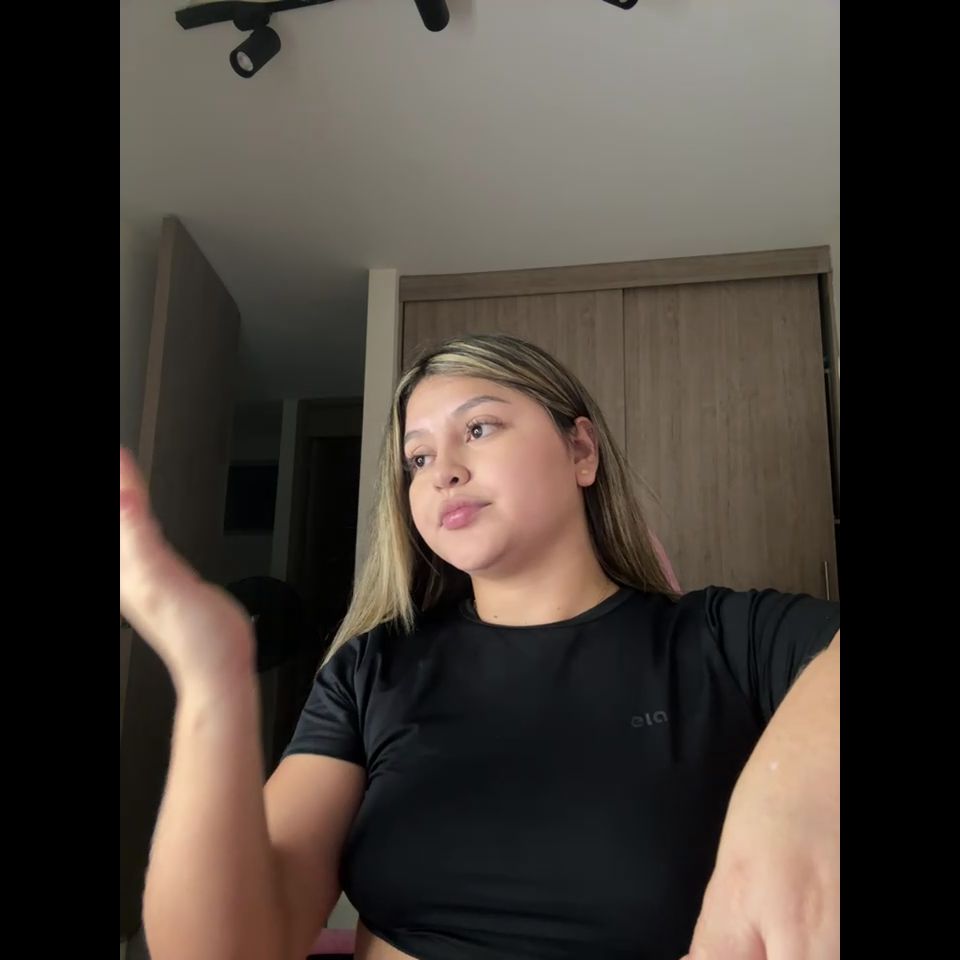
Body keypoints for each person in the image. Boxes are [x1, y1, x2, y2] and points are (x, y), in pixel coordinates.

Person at [119, 334, 840, 960]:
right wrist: (211, 678)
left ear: (581, 450)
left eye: (480, 428)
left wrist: (783, 800)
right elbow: (228, 949)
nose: (443, 471)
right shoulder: (373, 670)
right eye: (417, 457)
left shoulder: (726, 639)